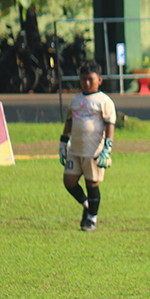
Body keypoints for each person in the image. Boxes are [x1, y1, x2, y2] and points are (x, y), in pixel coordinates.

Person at [59, 60, 116, 232]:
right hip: (75, 150)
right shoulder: (76, 100)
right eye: (83, 79)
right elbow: (69, 121)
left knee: (92, 183)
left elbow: (109, 124)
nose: (87, 83)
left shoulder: (104, 101)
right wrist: (63, 141)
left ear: (99, 80)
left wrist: (108, 147)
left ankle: (92, 218)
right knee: (69, 181)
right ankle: (86, 205)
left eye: (90, 79)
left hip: (94, 150)